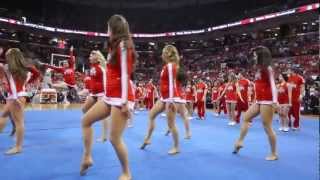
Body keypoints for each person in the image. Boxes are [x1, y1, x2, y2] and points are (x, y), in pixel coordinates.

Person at [80, 15, 136, 180]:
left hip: (121, 98)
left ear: (114, 28)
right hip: (110, 96)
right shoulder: (115, 46)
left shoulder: (124, 45)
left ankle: (126, 172)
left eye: (108, 28)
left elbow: (126, 74)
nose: (106, 31)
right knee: (86, 121)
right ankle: (87, 157)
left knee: (114, 138)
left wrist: (125, 102)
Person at [233, 46, 278, 161]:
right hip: (259, 100)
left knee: (267, 126)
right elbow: (258, 84)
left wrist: (274, 101)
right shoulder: (258, 68)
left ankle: (274, 153)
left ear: (261, 55)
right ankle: (240, 141)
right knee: (246, 117)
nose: (253, 56)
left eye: (255, 55)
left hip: (267, 101)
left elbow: (273, 85)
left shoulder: (268, 68)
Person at [140, 45, 181, 155]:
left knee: (171, 124)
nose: (161, 54)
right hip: (164, 97)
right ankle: (148, 138)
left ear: (167, 53)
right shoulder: (166, 66)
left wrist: (171, 100)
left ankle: (177, 147)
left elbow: (173, 83)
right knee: (151, 115)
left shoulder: (171, 66)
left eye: (163, 52)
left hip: (170, 98)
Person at [0, 48, 40, 155]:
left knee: (19, 122)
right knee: (3, 115)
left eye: (7, 55)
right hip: (17, 95)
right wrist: (28, 82)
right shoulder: (27, 67)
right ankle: (18, 145)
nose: (5, 57)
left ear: (11, 57)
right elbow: (37, 74)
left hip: (16, 96)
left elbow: (13, 85)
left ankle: (18, 147)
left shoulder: (7, 67)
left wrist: (15, 97)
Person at [81, 50, 109, 142]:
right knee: (84, 109)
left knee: (103, 116)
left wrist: (106, 93)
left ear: (97, 58)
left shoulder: (102, 68)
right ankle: (92, 119)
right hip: (93, 93)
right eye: (89, 56)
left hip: (101, 93)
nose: (89, 57)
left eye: (91, 56)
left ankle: (104, 136)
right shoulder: (92, 66)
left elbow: (105, 80)